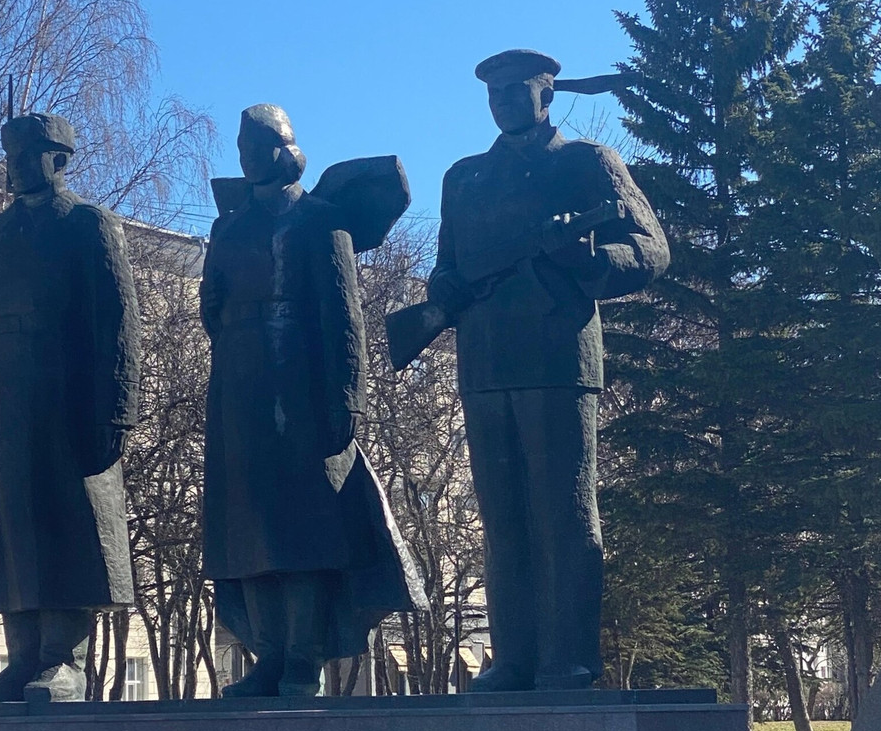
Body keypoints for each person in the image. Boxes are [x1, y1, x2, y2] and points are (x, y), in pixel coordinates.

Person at [426, 50, 669, 691]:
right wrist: (444, 289)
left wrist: (589, 259)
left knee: (564, 513)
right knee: (502, 519)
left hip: (559, 359)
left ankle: (569, 660)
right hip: (484, 364)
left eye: (515, 89)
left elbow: (651, 248)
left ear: (547, 95)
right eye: (493, 92)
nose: (502, 99)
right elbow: (447, 265)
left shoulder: (587, 164)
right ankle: (514, 660)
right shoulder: (465, 178)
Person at [200, 104, 424, 697]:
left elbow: (344, 318)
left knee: (302, 526)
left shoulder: (321, 222)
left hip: (300, 379)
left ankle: (303, 655)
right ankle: (269, 654)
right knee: (247, 524)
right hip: (239, 385)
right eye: (241, 146)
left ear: (283, 148)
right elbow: (211, 311)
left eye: (257, 145)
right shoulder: (229, 227)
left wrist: (350, 396)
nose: (246, 156)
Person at [0, 112, 141, 703]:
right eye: (8, 153)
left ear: (58, 158)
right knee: (12, 521)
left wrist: (118, 408)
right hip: (4, 396)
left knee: (68, 521)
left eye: (25, 153)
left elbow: (118, 322)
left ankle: (64, 659)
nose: (12, 164)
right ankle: (23, 657)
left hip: (67, 393)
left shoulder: (89, 225)